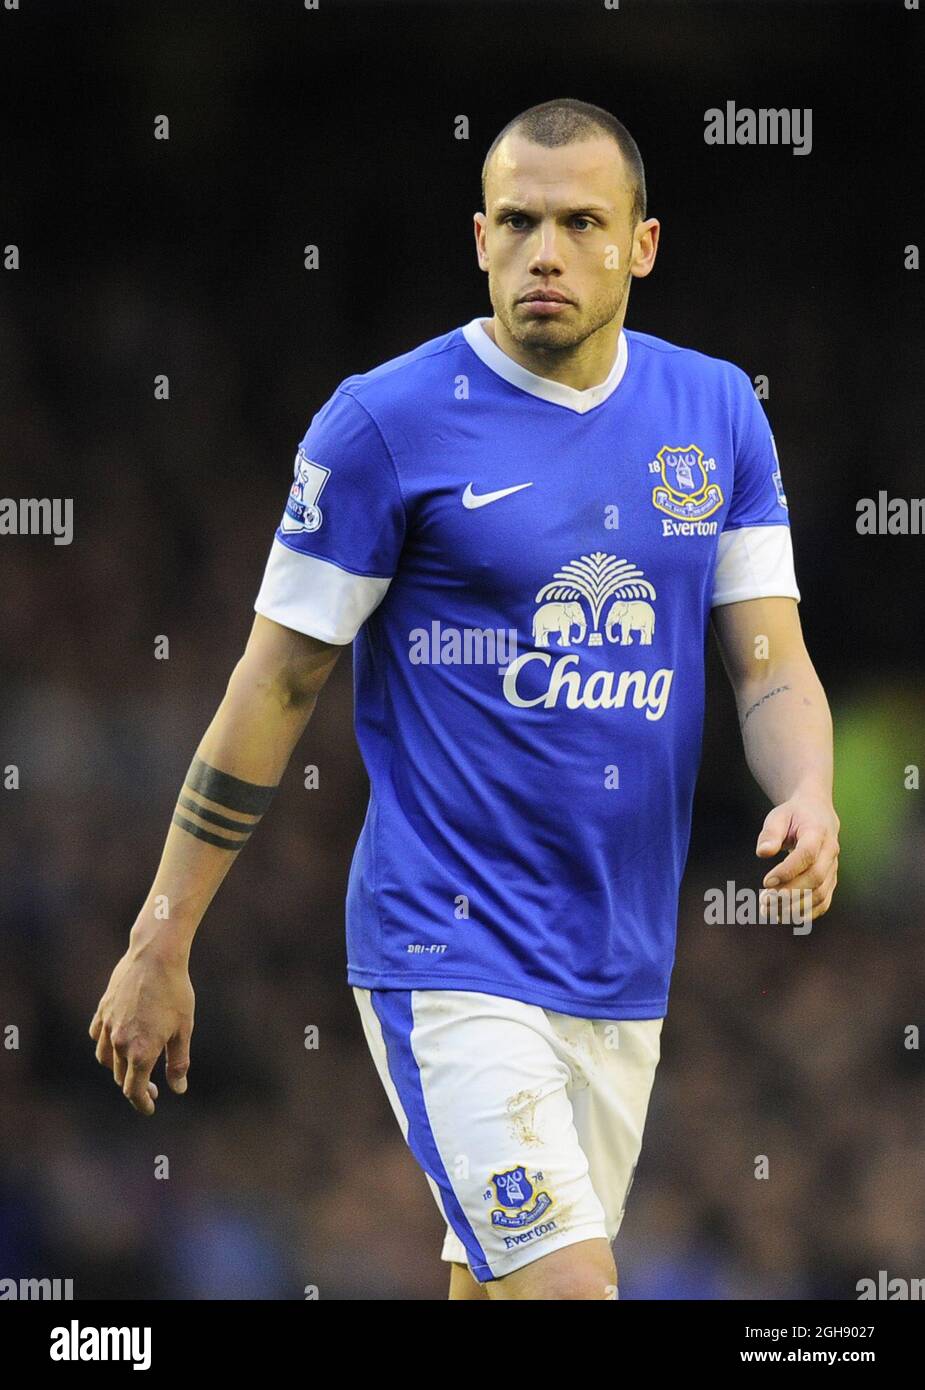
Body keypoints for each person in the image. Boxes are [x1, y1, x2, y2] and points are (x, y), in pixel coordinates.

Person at [90, 98, 839, 1301]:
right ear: (478, 237)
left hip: (620, 961)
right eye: (519, 221)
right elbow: (275, 681)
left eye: (582, 222)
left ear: (640, 245)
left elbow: (769, 666)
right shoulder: (383, 425)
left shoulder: (716, 415)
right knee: (570, 1289)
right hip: (449, 949)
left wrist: (807, 787)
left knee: (494, 1288)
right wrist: (160, 934)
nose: (546, 250)